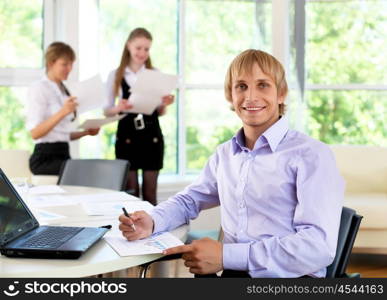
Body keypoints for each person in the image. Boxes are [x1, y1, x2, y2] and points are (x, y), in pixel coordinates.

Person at [118, 49, 345, 278]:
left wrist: (226, 256)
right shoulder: (225, 154)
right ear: (230, 95)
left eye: (263, 85)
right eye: (242, 86)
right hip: (233, 275)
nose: (251, 97)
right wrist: (152, 221)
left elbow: (317, 248)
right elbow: (189, 200)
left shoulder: (312, 155)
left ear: (281, 93)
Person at [104, 28, 174, 205]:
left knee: (150, 194)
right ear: (128, 46)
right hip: (127, 136)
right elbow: (106, 110)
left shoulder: (155, 73)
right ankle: (134, 232)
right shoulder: (115, 75)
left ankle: (155, 232)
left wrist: (164, 104)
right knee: (131, 194)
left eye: (147, 49)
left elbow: (160, 112)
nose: (142, 53)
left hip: (152, 136)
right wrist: (119, 107)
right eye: (138, 48)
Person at [26, 42, 100, 175]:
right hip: (45, 158)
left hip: (63, 154)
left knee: (92, 168)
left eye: (71, 64)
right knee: (88, 171)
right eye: (64, 64)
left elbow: (61, 135)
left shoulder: (63, 90)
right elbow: (35, 133)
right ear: (50, 63)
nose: (69, 68)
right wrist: (63, 112)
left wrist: (86, 133)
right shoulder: (39, 88)